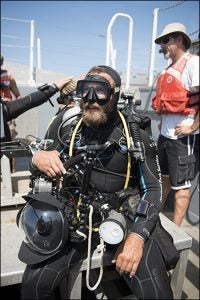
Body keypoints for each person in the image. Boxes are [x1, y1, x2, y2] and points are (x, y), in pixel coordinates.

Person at [18, 65, 179, 299]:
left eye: (100, 91)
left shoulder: (137, 137)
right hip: (77, 220)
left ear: (114, 96)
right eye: (86, 90)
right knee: (33, 286)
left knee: (157, 294)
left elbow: (153, 189)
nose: (92, 99)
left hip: (123, 220)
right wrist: (36, 158)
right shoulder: (68, 132)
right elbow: (39, 157)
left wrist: (137, 236)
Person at [152, 23, 199, 226]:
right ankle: (155, 221)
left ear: (179, 39)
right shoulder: (168, 70)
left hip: (183, 138)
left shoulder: (193, 63)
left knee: (181, 188)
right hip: (166, 137)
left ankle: (175, 231)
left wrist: (193, 127)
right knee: (164, 181)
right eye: (161, 42)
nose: (162, 46)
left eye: (166, 41)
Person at [0, 55, 21, 172]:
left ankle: (12, 173)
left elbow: (18, 96)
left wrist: (16, 109)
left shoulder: (8, 77)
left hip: (8, 116)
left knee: (9, 146)